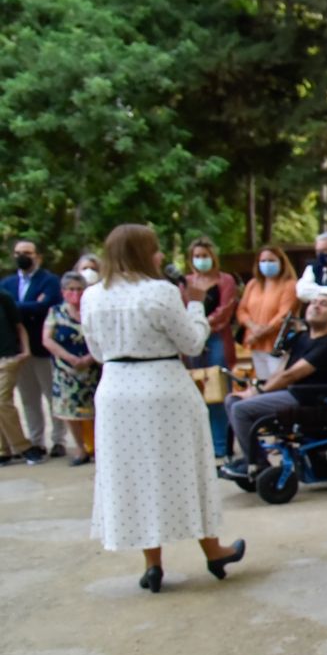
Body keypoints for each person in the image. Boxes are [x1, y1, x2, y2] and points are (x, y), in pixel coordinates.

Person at [80, 224, 246, 594]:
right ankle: (212, 549)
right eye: (155, 249)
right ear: (142, 253)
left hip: (116, 387)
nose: (160, 257)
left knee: (135, 474)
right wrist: (197, 303)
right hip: (162, 384)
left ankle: (152, 562)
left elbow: (95, 350)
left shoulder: (93, 296)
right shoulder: (160, 291)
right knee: (186, 466)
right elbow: (191, 340)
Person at [220, 294, 327, 478]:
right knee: (231, 400)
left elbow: (293, 374)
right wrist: (255, 390)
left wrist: (258, 392)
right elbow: (282, 369)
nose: (316, 306)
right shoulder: (301, 337)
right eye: (313, 302)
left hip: (307, 397)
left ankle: (257, 465)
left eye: (324, 304)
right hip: (289, 392)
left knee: (241, 409)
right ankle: (251, 458)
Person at [5, 238, 65, 462]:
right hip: (20, 350)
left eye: (28, 252)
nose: (23, 256)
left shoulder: (49, 281)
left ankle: (58, 440)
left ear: (37, 256)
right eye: (19, 252)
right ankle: (37, 441)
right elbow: (10, 310)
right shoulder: (8, 284)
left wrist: (19, 307)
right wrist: (30, 307)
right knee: (29, 399)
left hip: (43, 348)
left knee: (51, 396)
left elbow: (46, 307)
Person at [182, 236, 239, 459]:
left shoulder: (225, 281)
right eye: (197, 256)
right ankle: (201, 445)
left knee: (219, 391)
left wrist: (202, 326)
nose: (201, 260)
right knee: (197, 393)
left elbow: (225, 312)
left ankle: (221, 445)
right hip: (192, 343)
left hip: (217, 338)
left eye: (205, 256)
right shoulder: (185, 283)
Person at [40, 272, 100, 465]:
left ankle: (99, 448)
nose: (75, 293)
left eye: (79, 289)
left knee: (96, 412)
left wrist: (89, 358)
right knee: (71, 413)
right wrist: (71, 359)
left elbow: (103, 337)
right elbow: (47, 339)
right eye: (71, 289)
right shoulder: (56, 312)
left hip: (93, 369)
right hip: (66, 372)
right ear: (63, 291)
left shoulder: (93, 310)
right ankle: (80, 449)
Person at [236, 245, 301, 381]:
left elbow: (284, 315)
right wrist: (253, 328)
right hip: (254, 343)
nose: (267, 264)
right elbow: (242, 310)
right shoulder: (253, 284)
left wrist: (260, 333)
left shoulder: (289, 285)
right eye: (263, 261)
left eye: (271, 260)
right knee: (262, 382)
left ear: (281, 262)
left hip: (277, 344)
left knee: (277, 382)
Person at [0, 287, 31, 465]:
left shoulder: (4, 297)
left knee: (2, 401)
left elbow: (19, 326)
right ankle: (3, 449)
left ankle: (23, 446)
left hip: (7, 358)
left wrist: (25, 350)